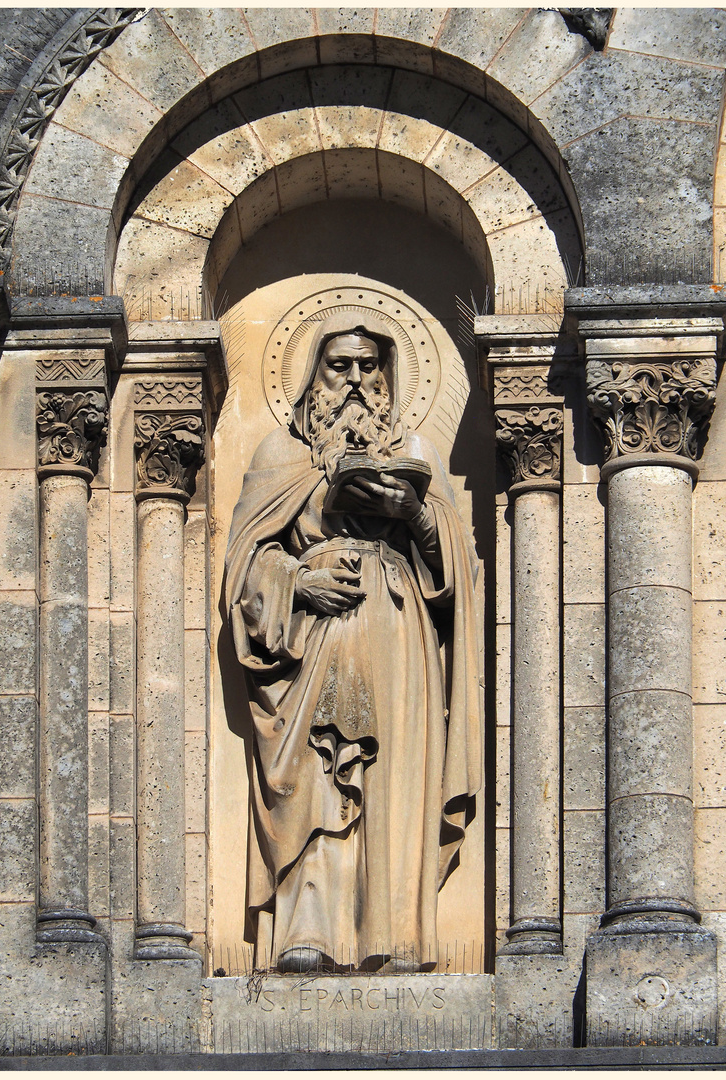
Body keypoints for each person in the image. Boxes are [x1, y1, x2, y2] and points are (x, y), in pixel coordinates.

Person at [223, 315, 483, 973]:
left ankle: (393, 936)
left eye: (370, 367)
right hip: (311, 640)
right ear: (314, 374)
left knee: (396, 780)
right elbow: (243, 567)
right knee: (313, 774)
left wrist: (416, 514)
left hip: (400, 634)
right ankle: (307, 933)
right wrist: (297, 579)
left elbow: (460, 572)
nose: (357, 382)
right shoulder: (279, 456)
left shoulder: (418, 450)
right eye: (341, 366)